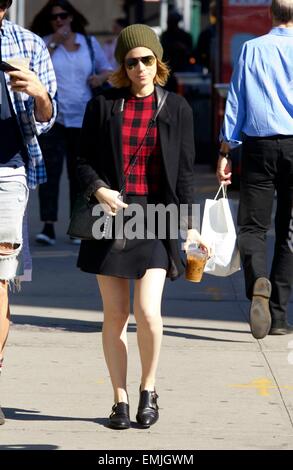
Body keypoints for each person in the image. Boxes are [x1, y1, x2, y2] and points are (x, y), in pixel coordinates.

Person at [76, 23, 211, 430]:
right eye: (132, 61)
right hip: (111, 215)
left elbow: (185, 174)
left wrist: (189, 225)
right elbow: (81, 160)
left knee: (147, 311)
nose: (140, 68)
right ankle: (118, 398)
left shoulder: (177, 108)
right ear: (122, 65)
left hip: (157, 216)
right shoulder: (103, 106)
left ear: (158, 62)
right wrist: (99, 190)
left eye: (147, 60)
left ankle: (148, 389)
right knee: (115, 314)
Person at [217, 0, 293, 339]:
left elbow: (236, 100)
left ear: (270, 15)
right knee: (289, 230)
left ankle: (257, 279)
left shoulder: (251, 49)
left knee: (252, 226)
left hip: (259, 145)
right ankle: (278, 316)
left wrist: (226, 149)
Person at [0, 0, 57, 425]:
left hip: (7, 172)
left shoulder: (27, 44)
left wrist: (38, 93)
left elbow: (46, 119)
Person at [31, 0, 113, 246]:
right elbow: (35, 70)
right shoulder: (44, 43)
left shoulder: (88, 43)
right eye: (54, 18)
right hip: (53, 117)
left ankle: (77, 226)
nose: (59, 21)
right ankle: (48, 226)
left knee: (80, 175)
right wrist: (54, 41)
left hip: (83, 117)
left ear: (72, 17)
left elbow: (108, 69)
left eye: (63, 16)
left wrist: (99, 78)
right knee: (51, 174)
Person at [161, 10, 193, 91]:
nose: (171, 24)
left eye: (173, 22)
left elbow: (191, 53)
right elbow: (163, 52)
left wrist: (182, 48)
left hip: (183, 69)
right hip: (168, 69)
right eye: (170, 21)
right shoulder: (165, 36)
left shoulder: (185, 36)